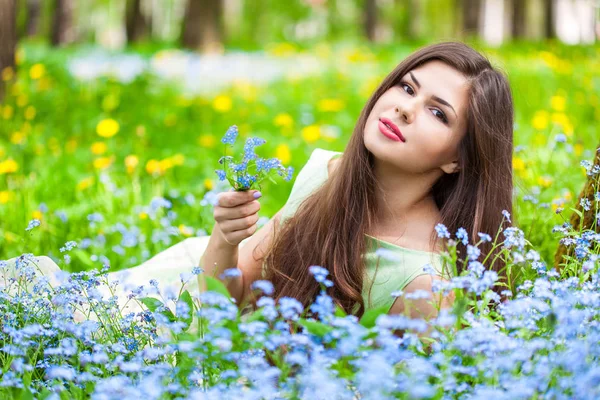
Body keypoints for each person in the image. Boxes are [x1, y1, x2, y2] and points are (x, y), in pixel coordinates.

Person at [2, 41, 513, 325]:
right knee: (43, 305)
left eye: (437, 113)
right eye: (406, 86)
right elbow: (228, 292)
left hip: (225, 348)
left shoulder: (424, 281)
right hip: (193, 290)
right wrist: (226, 239)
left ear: (458, 161)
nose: (404, 106)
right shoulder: (328, 174)